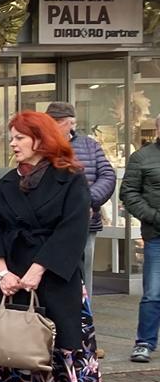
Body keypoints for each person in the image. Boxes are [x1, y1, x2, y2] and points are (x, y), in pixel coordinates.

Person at [0, 111, 101, 382]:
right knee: (19, 359)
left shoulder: (70, 179)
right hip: (12, 284)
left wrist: (37, 270)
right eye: (12, 137)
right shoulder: (4, 185)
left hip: (57, 283)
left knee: (57, 363)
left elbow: (73, 229)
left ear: (40, 139)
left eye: (19, 137)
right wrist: (1, 271)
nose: (13, 144)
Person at [45, 102, 116, 295]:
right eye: (51, 121)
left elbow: (108, 176)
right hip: (49, 225)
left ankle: (84, 319)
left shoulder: (89, 145)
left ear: (71, 123)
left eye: (59, 121)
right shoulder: (39, 146)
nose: (53, 125)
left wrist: (88, 201)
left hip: (86, 222)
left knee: (84, 275)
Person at [121, 117, 160, 362]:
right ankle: (144, 342)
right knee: (153, 292)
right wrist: (154, 217)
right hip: (156, 234)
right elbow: (128, 192)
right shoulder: (142, 158)